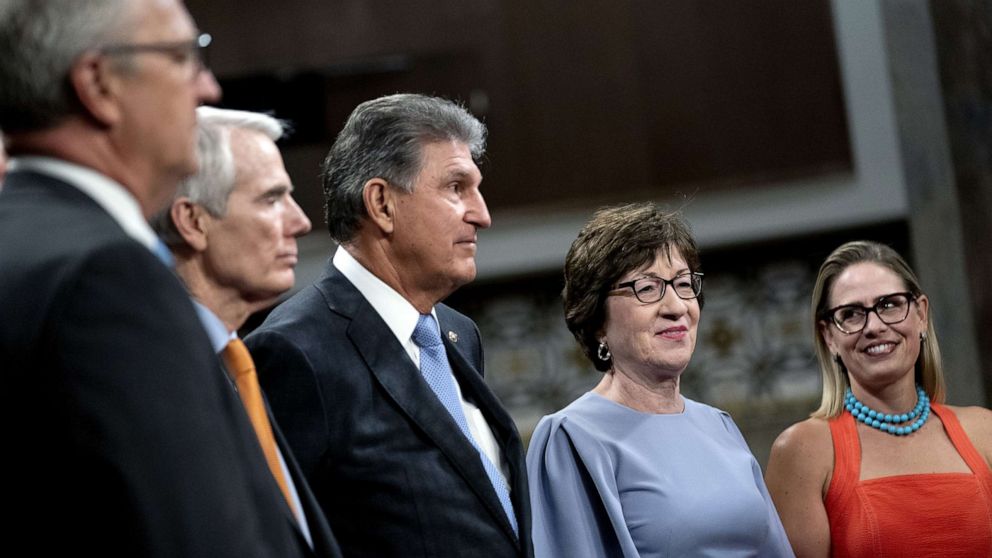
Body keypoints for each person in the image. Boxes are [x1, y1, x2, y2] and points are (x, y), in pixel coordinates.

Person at [0, 1, 313, 555]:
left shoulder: (22, 243)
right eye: (181, 57)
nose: (208, 88)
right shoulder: (108, 276)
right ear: (98, 84)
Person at [246, 93, 533, 558]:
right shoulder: (294, 353)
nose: (482, 214)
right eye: (456, 187)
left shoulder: (459, 333)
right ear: (381, 203)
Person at [527, 203, 794, 557]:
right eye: (647, 288)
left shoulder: (720, 425)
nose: (677, 306)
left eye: (684, 284)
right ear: (597, 320)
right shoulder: (571, 439)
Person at [152, 106, 343, 557]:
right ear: (193, 221)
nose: (300, 222)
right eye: (271, 199)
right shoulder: (159, 382)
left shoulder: (239, 366)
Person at [765, 240, 992, 557]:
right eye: (852, 314)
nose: (874, 326)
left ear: (921, 314)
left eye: (889, 305)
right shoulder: (803, 450)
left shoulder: (984, 431)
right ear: (829, 336)